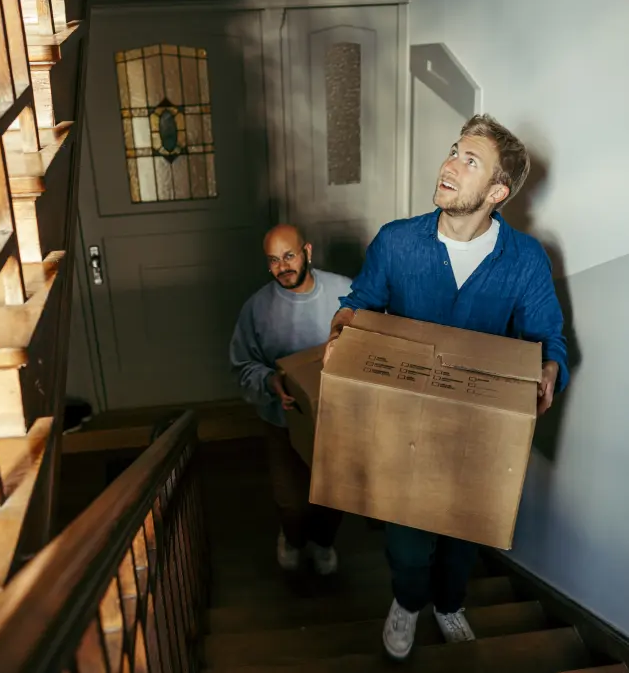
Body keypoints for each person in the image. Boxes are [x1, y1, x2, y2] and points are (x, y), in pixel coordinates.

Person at [326, 115, 568, 660]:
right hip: (403, 429)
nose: (449, 165)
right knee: (408, 545)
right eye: (454, 151)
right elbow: (361, 303)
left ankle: (449, 604)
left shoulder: (526, 259)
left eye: (470, 161)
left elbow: (547, 337)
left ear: (498, 192)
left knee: (461, 542)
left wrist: (551, 367)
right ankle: (408, 603)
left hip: (478, 437)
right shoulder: (395, 242)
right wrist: (347, 321)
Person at [230, 224, 351, 575]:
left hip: (337, 419)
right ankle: (294, 539)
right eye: (273, 261)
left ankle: (324, 542)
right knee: (292, 502)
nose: (282, 267)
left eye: (289, 256)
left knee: (332, 496)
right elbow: (241, 365)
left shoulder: (345, 292)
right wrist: (269, 381)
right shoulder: (257, 308)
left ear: (307, 252)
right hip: (282, 420)